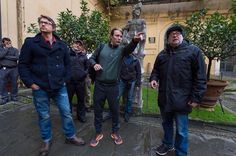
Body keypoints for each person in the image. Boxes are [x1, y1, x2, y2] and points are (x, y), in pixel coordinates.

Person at [18, 15, 85, 156]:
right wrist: (30, 83)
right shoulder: (31, 43)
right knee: (44, 116)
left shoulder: (61, 45)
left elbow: (68, 64)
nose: (42, 24)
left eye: (46, 23)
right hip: (40, 86)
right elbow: (23, 65)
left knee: (66, 112)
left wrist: (65, 79)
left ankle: (70, 136)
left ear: (53, 27)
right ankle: (46, 141)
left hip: (59, 86)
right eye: (40, 22)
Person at [150, 24, 207, 156]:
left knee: (182, 130)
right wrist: (153, 78)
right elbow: (156, 70)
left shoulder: (193, 51)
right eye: (171, 34)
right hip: (165, 98)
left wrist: (196, 97)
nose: (174, 35)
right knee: (166, 124)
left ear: (182, 36)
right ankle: (168, 144)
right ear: (168, 38)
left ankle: (181, 152)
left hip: (184, 99)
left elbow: (200, 77)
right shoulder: (162, 54)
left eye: (177, 33)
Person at [89, 28, 143, 147]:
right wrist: (94, 64)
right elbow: (91, 58)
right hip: (99, 85)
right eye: (117, 36)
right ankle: (98, 133)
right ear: (111, 36)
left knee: (115, 111)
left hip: (113, 87)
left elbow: (130, 48)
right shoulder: (102, 47)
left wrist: (135, 41)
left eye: (120, 36)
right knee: (98, 111)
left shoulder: (122, 50)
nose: (119, 38)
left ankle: (115, 132)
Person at [122, 2, 146, 113]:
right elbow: (125, 30)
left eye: (138, 11)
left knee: (136, 62)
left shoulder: (142, 21)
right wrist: (125, 37)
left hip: (137, 41)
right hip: (129, 42)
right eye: (135, 11)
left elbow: (144, 33)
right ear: (133, 12)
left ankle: (134, 103)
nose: (137, 12)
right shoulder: (130, 21)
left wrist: (141, 41)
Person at [66, 40, 89, 123]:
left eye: (80, 45)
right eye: (76, 44)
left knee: (81, 100)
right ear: (73, 45)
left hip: (80, 82)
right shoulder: (68, 54)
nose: (78, 46)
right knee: (68, 100)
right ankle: (68, 116)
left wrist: (84, 74)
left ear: (82, 47)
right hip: (70, 82)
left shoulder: (84, 56)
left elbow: (87, 67)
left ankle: (81, 116)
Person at [118, 53, 141, 122]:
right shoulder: (122, 58)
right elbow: (118, 69)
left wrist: (137, 84)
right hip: (122, 80)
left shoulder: (136, 60)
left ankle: (127, 113)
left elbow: (138, 72)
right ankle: (113, 112)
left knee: (130, 98)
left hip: (132, 81)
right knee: (117, 96)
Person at [0, 37, 19, 105]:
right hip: (4, 69)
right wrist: (6, 50)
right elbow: (0, 56)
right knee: (2, 84)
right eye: (6, 42)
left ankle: (14, 96)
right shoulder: (1, 49)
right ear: (3, 43)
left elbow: (17, 57)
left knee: (14, 83)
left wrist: (5, 57)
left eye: (9, 42)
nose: (8, 43)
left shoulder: (15, 50)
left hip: (14, 69)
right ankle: (4, 98)